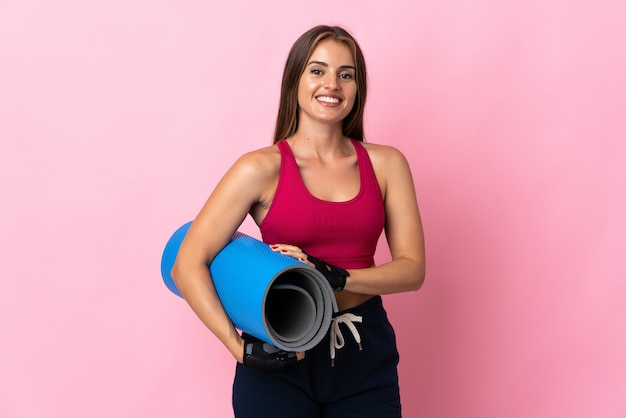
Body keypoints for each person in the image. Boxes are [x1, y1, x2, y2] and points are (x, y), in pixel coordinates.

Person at [171, 24, 425, 418]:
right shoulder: (259, 168)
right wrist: (239, 348)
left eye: (346, 74)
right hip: (280, 350)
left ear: (358, 88)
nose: (333, 84)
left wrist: (337, 276)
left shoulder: (387, 164)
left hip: (364, 351)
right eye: (318, 70)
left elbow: (413, 271)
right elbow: (187, 263)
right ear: (296, 81)